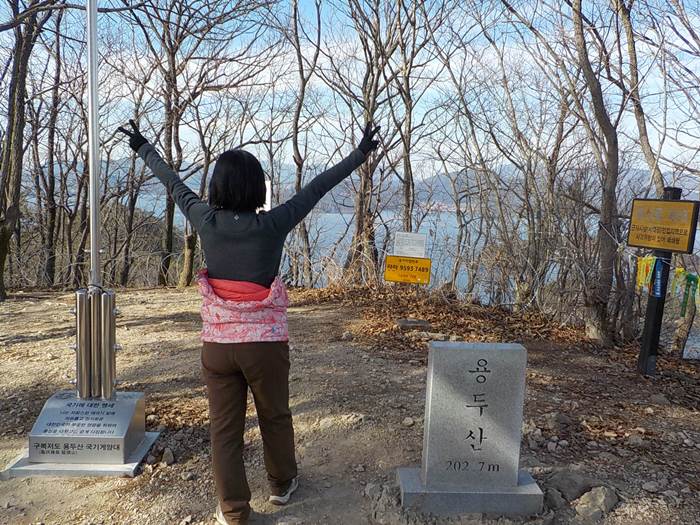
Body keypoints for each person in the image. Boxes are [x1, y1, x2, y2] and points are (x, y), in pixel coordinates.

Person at [117, 120, 380, 524]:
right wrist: (360, 153)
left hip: (218, 347)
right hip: (265, 346)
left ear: (218, 188)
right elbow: (319, 187)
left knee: (224, 431)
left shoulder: (205, 219)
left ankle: (234, 512)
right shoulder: (272, 224)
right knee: (274, 416)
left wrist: (141, 145)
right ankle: (281, 485)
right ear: (257, 187)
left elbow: (170, 181)